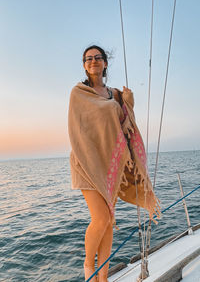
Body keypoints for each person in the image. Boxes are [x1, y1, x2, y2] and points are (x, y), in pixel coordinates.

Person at [68, 45, 160, 282]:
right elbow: (77, 130)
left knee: (109, 220)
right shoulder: (79, 93)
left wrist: (128, 102)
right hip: (86, 162)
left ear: (105, 63)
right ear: (84, 65)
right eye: (88, 59)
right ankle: (89, 267)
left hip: (109, 165)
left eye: (98, 57)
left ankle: (104, 278)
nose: (93, 61)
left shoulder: (115, 95)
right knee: (101, 218)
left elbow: (123, 124)